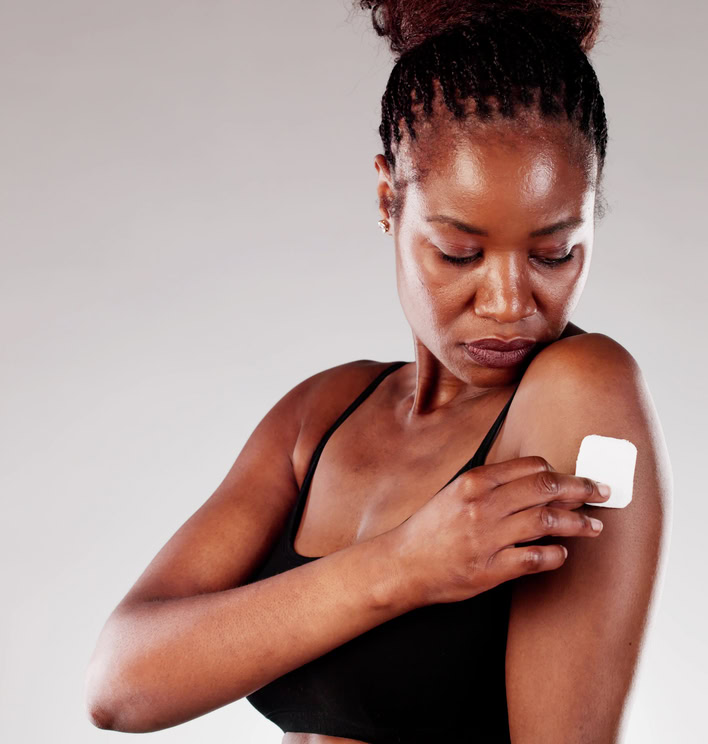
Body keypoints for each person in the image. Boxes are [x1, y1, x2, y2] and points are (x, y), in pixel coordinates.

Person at [83, 2, 670, 741]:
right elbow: (120, 686)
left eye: (554, 253)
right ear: (389, 199)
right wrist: (407, 566)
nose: (507, 302)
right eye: (460, 252)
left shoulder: (581, 391)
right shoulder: (321, 415)